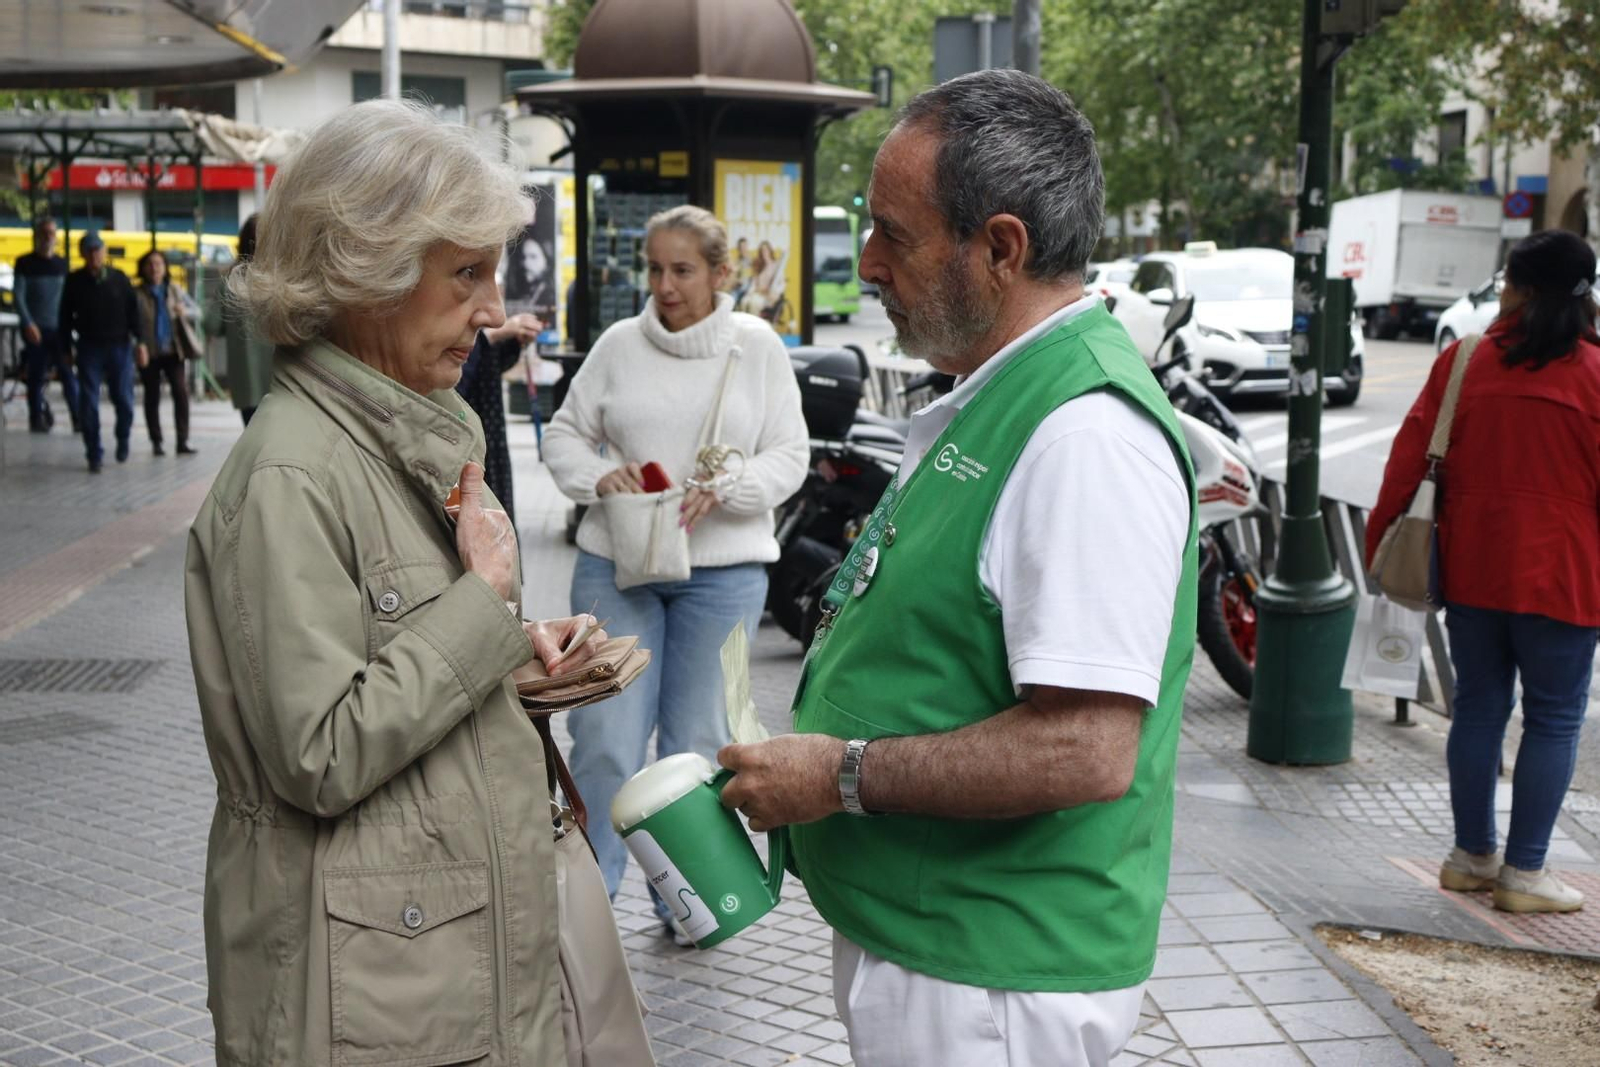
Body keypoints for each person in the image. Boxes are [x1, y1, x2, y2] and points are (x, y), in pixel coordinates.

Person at [715, 69, 1197, 1067]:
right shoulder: (1005, 393)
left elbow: (1082, 748)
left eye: (895, 233)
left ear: (1001, 246)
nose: (873, 265)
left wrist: (840, 774)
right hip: (951, 951)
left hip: (991, 978)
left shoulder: (1082, 436)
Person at [183, 99, 616, 1067]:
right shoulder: (293, 472)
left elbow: (399, 670)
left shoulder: (393, 435)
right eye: (466, 272)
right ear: (365, 272)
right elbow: (321, 750)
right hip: (368, 995)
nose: (495, 308)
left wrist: (511, 659)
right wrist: (479, 610)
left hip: (420, 977)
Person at [543, 204, 808, 942]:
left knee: (697, 745)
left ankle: (691, 902)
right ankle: (585, 917)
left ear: (722, 274)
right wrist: (602, 478)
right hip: (617, 561)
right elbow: (563, 436)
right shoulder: (619, 345)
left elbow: (791, 455)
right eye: (654, 268)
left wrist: (727, 488)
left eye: (682, 269)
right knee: (604, 739)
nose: (663, 284)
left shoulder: (756, 347)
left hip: (723, 571)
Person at [1368, 229, 1600, 915]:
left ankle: (1472, 857)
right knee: (1554, 721)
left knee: (1478, 708)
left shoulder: (1466, 362)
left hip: (1473, 567)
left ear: (1520, 290)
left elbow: (1410, 458)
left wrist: (1381, 536)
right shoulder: (1594, 374)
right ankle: (1525, 872)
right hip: (1567, 576)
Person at [60, 230, 142, 473]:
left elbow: (133, 312)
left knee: (124, 400)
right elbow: (64, 317)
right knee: (89, 403)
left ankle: (123, 437)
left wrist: (142, 343)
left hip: (120, 346)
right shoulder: (74, 281)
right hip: (89, 348)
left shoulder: (119, 278)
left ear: (104, 252)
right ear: (83, 254)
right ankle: (93, 452)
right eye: (90, 250)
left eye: (98, 250)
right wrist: (65, 349)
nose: (94, 255)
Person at [457, 307, 542, 520]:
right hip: (465, 447)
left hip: (491, 440)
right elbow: (457, 384)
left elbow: (492, 365)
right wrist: (492, 336)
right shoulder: (445, 335)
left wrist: (514, 341)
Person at [203, 214, 273, 425]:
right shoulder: (283, 279)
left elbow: (211, 325)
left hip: (247, 385)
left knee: (254, 445)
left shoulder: (230, 282)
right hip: (281, 384)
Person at [14, 216, 79, 434]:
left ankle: (78, 418)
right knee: (36, 375)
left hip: (60, 330)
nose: (48, 237)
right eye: (44, 233)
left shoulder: (62, 264)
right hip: (36, 330)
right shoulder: (25, 263)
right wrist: (28, 323)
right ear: (37, 236)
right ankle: (36, 417)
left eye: (52, 233)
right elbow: (19, 296)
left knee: (68, 374)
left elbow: (69, 298)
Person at [133, 249, 201, 456]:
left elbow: (198, 311)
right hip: (149, 351)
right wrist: (137, 345)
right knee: (152, 396)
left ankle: (183, 440)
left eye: (159, 264)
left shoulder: (173, 290)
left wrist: (184, 311)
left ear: (165, 268)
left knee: (180, 392)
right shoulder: (137, 294)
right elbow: (131, 323)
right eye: (150, 264)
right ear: (143, 268)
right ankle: (157, 441)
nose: (154, 268)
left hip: (173, 350)